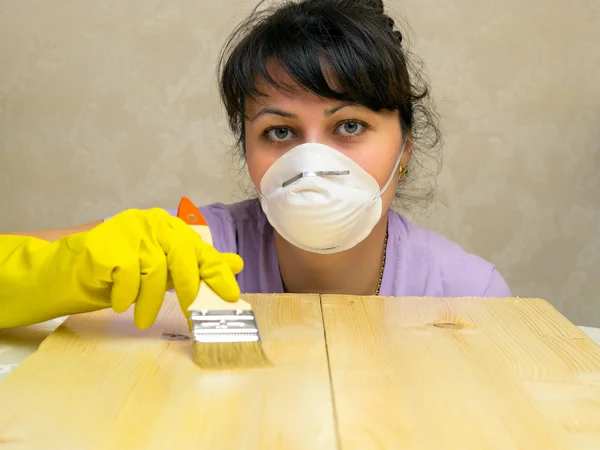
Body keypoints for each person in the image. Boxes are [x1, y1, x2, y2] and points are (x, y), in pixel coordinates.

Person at [0, 0, 511, 330]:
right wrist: (71, 268)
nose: (312, 162)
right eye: (280, 132)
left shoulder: (468, 294)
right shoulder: (191, 250)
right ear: (247, 150)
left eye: (350, 125)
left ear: (406, 148)